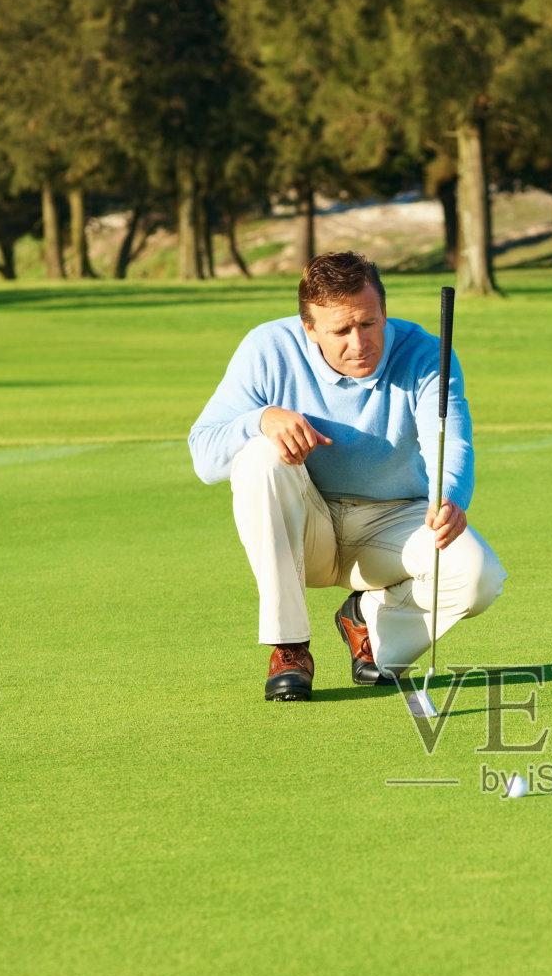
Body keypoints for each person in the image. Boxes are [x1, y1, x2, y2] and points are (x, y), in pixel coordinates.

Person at [188, 250, 506, 701]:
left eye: (369, 323)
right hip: (307, 527)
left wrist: (449, 496)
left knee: (477, 578)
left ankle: (370, 624)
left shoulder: (426, 353)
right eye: (340, 331)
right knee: (261, 455)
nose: (360, 343)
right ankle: (290, 647)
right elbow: (203, 454)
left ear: (383, 312)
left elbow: (450, 442)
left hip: (393, 522)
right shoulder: (266, 348)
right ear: (309, 329)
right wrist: (260, 419)